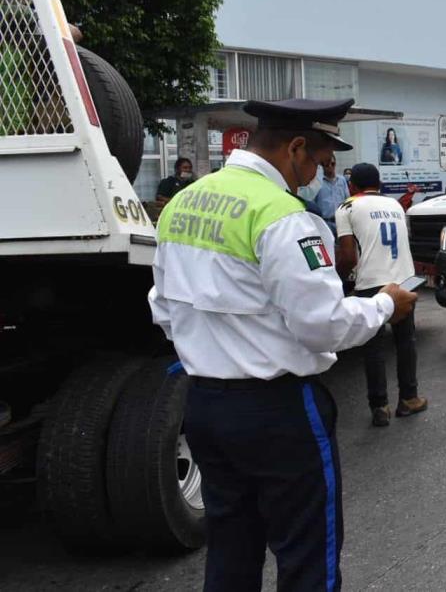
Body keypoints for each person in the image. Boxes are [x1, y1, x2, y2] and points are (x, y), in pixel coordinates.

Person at [148, 98, 417, 592]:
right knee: (307, 556)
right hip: (279, 411)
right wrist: (385, 305)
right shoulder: (282, 215)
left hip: (205, 406)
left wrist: (219, 344)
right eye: (314, 160)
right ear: (295, 148)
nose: (314, 174)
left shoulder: (183, 203)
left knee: (231, 547)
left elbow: (163, 309)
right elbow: (324, 325)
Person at [335, 163, 426, 427]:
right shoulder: (395, 206)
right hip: (404, 280)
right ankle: (409, 399)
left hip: (371, 283)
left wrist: (339, 279)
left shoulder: (347, 207)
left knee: (373, 348)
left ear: (352, 185)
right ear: (379, 183)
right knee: (405, 342)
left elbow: (349, 256)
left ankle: (380, 406)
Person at [315, 156, 350, 236]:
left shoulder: (342, 180)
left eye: (333, 164)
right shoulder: (317, 182)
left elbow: (347, 200)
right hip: (325, 222)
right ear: (322, 166)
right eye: (327, 164)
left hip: (341, 222)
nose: (330, 166)